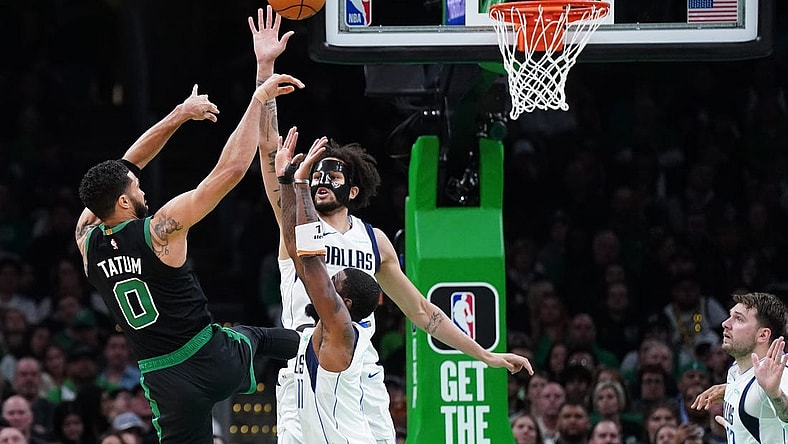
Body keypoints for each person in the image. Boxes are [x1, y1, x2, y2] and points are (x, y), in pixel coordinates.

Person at [249, 7, 533, 442]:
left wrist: (485, 355)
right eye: (317, 171)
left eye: (333, 174)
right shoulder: (294, 217)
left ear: (355, 191)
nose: (321, 178)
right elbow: (270, 150)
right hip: (313, 363)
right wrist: (265, 69)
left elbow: (424, 313)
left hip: (364, 370)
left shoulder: (374, 241)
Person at [74, 56, 304, 440]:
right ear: (125, 203)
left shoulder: (86, 238)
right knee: (259, 336)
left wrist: (179, 114)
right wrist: (258, 97)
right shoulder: (160, 230)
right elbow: (229, 171)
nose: (141, 187)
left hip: (164, 380)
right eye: (135, 189)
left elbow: (128, 165)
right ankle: (327, 346)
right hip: (210, 356)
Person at [276, 133, 384, 442]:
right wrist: (288, 181)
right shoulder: (336, 322)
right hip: (312, 379)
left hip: (339, 414)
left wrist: (298, 184)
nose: (328, 280)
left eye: (334, 283)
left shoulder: (338, 324)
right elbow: (300, 252)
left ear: (343, 303)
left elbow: (310, 264)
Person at [691, 292, 788, 443]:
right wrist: (731, 389)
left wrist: (776, 395)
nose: (725, 323)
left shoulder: (781, 375)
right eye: (730, 316)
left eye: (739, 319)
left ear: (762, 335)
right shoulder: (736, 368)